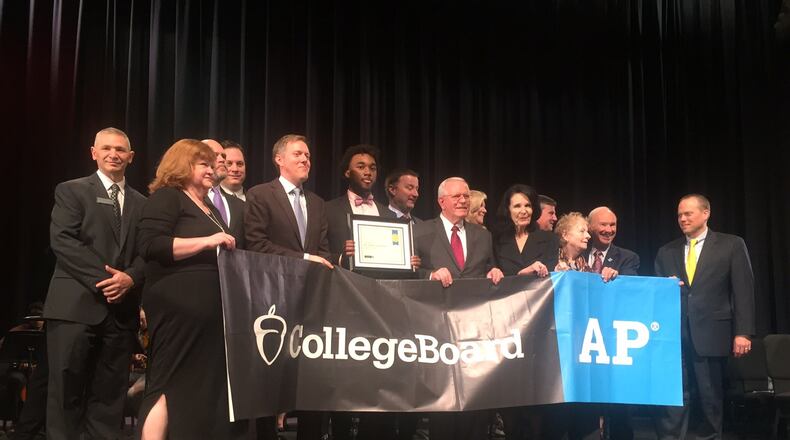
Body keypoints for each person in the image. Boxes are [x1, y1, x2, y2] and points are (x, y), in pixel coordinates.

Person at [136, 139, 243, 439]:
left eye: (212, 164)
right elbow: (151, 245)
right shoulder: (169, 197)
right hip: (177, 308)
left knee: (194, 388)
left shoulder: (209, 207)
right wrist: (208, 241)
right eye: (204, 164)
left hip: (209, 311)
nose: (212, 169)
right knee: (167, 383)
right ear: (183, 165)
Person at [43, 127, 146, 440]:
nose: (113, 154)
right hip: (75, 306)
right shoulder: (71, 190)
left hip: (121, 313)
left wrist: (131, 278)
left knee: (110, 397)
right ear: (93, 152)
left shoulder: (143, 203)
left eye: (120, 149)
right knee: (65, 393)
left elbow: (148, 252)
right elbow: (63, 241)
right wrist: (109, 281)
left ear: (131, 156)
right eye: (106, 148)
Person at [653, 194, 755, 440]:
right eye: (679, 214)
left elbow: (743, 290)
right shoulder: (667, 251)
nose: (682, 219)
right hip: (674, 336)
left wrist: (743, 332)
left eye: (688, 213)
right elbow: (656, 295)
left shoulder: (731, 245)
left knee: (710, 397)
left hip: (712, 333)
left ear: (706, 213)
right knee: (675, 395)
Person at [413, 177, 504, 440]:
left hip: (474, 329)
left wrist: (494, 271)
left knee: (473, 400)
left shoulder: (482, 235)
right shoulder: (421, 231)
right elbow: (408, 272)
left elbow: (489, 267)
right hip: (437, 327)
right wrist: (430, 274)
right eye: (457, 197)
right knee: (445, 403)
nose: (463, 200)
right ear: (442, 201)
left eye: (466, 196)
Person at [491, 184, 559, 440]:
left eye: (528, 205)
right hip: (506, 327)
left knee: (535, 404)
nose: (524, 210)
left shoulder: (549, 240)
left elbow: (550, 277)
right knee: (510, 402)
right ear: (507, 209)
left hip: (538, 327)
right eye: (517, 205)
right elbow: (494, 272)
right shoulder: (496, 239)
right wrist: (515, 274)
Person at [584, 206, 641, 440]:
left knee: (618, 406)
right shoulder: (577, 252)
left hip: (613, 338)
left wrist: (618, 279)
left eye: (613, 225)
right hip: (584, 337)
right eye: (603, 225)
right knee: (586, 403)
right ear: (589, 227)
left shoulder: (628, 257)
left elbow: (632, 290)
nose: (608, 230)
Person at [203, 139, 246, 248]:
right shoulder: (190, 196)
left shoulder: (242, 204)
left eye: (223, 156)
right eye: (229, 163)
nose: (235, 169)